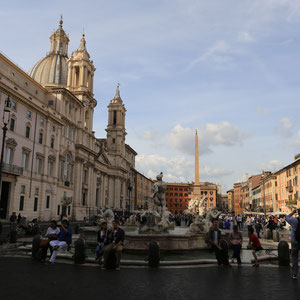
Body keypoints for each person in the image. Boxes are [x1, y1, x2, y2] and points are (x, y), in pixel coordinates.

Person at [286, 208, 300, 280]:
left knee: (294, 257)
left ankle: (294, 274)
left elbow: (286, 218)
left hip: (295, 241)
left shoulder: (294, 220)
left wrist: (292, 212)